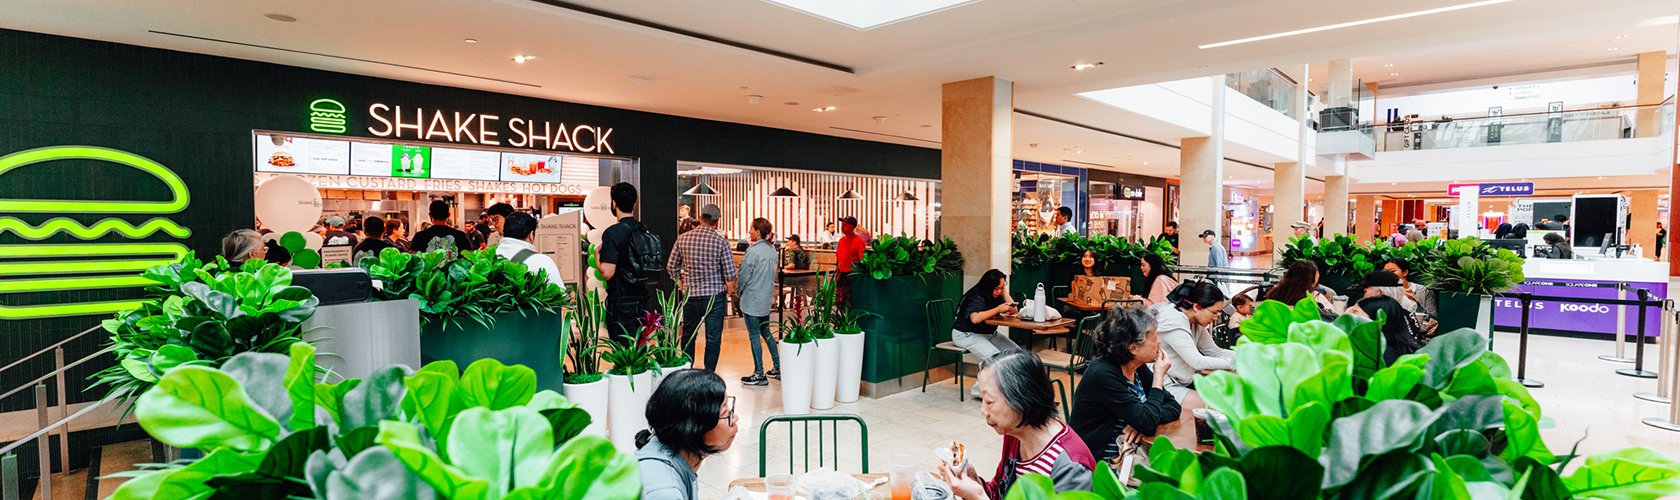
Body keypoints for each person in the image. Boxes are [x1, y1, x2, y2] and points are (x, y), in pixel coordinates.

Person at [942, 353, 1095, 498]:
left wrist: (978, 497)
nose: (983, 411)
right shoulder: (1015, 434)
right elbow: (1000, 493)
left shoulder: (1071, 466)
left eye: (989, 401)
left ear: (1022, 399)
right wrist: (976, 482)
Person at [1069, 305, 1181, 462]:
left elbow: (1173, 406)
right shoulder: (1103, 375)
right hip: (1102, 463)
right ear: (1133, 347)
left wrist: (1141, 422)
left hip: (1130, 452)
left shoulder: (1136, 367)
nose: (1159, 343)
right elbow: (1147, 422)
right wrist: (1158, 378)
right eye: (1155, 338)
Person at [635, 369, 738, 500]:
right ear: (694, 428)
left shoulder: (664, 450)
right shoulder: (664, 491)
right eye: (725, 413)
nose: (735, 418)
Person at [667, 204, 737, 372]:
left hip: (691, 295)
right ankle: (708, 373)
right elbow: (729, 273)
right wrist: (729, 290)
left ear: (700, 218)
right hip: (714, 296)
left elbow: (671, 266)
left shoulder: (683, 239)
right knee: (713, 338)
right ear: (717, 222)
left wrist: (682, 285)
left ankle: (687, 371)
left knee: (688, 335)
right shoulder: (721, 241)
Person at [1150, 281, 1234, 400]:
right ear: (1196, 307)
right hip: (1163, 385)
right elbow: (1197, 362)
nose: (1216, 317)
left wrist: (1245, 357)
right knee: (1214, 406)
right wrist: (1234, 364)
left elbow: (1214, 351)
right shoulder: (1173, 322)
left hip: (1183, 381)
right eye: (1214, 312)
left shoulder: (1195, 322)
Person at [600, 182, 658, 345]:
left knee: (623, 350)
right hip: (643, 298)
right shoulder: (643, 229)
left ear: (614, 203)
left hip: (621, 300)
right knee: (640, 346)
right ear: (634, 203)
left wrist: (598, 255)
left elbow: (607, 272)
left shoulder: (612, 233)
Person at [951, 269, 1024, 397]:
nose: (999, 291)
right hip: (965, 334)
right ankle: (979, 390)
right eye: (997, 288)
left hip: (988, 334)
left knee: (1016, 354)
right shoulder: (976, 296)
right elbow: (975, 318)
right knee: (994, 357)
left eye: (1001, 288)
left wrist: (1004, 290)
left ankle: (1013, 389)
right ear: (988, 286)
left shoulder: (996, 294)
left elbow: (1014, 310)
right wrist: (998, 309)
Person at [736, 218, 781, 386]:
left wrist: (738, 290)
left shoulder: (753, 252)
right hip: (765, 299)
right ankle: (777, 367)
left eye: (751, 228)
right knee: (766, 332)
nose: (749, 231)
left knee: (754, 335)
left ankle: (759, 373)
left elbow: (744, 276)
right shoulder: (772, 251)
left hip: (752, 299)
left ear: (757, 232)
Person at [494, 212, 566, 289]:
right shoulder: (542, 261)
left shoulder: (490, 257)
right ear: (531, 235)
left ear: (504, 232)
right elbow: (558, 293)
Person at [1346, 295, 1424, 365]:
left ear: (1379, 319)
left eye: (1355, 312)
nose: (1348, 314)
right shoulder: (1403, 351)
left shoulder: (1381, 357)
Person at [834, 216, 866, 300]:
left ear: (852, 227)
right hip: (841, 274)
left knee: (850, 300)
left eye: (846, 224)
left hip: (852, 276)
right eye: (842, 224)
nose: (843, 226)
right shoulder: (841, 241)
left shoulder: (859, 241)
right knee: (839, 299)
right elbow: (838, 258)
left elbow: (863, 260)